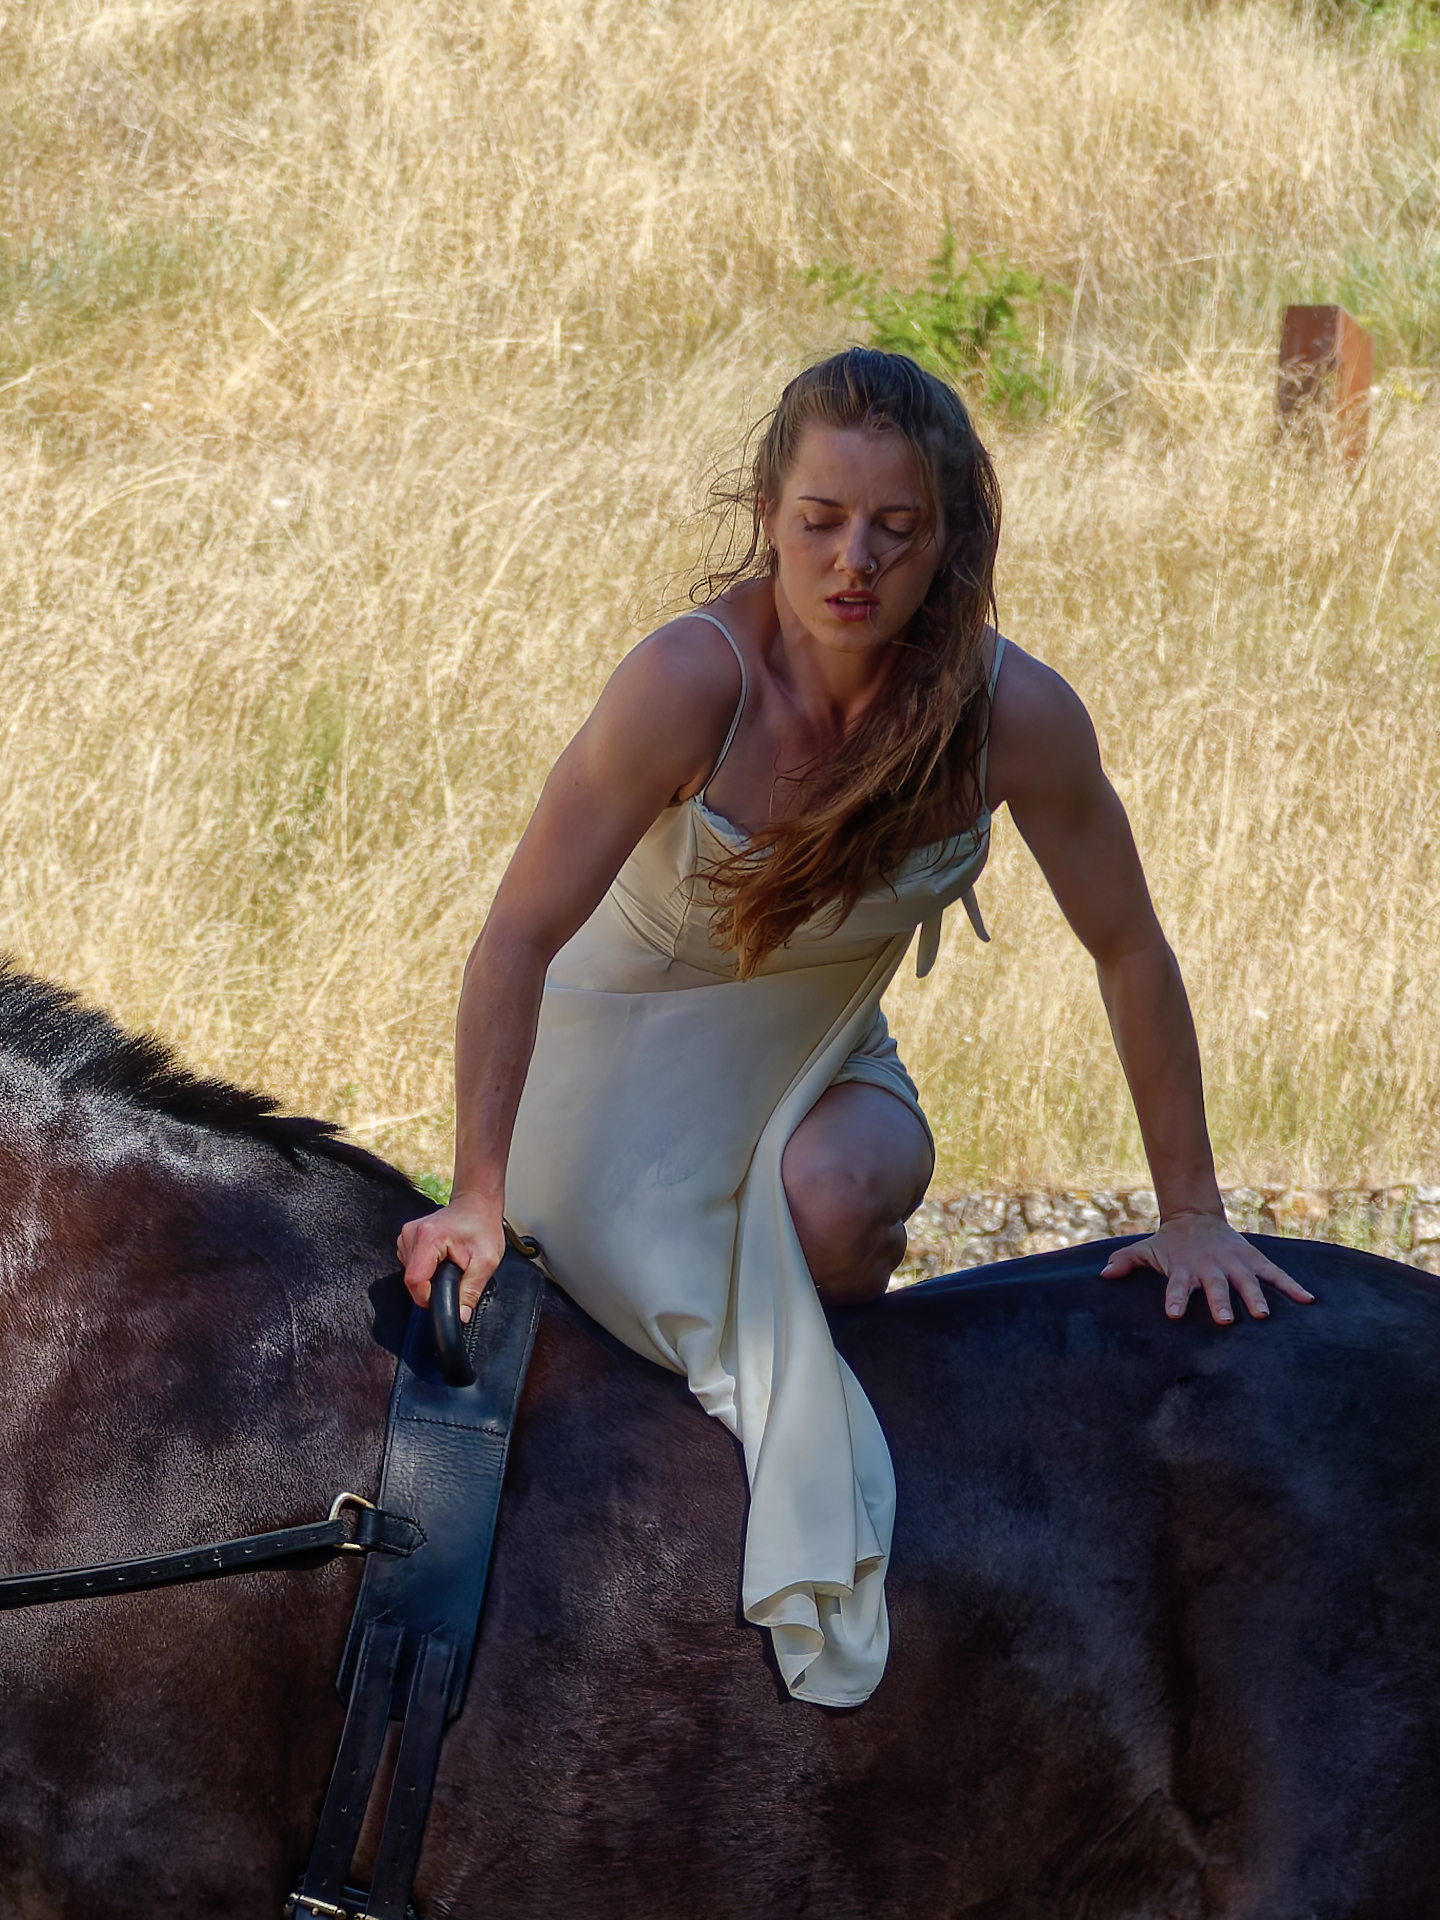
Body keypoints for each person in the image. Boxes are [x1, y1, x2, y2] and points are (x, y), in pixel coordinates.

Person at [397, 348, 1312, 1708]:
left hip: (815, 1046)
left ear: (952, 538)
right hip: (620, 1051)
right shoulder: (687, 683)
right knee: (649, 1299)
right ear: (768, 510)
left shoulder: (1013, 715)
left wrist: (1192, 1209)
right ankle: (727, 1491)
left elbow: (1127, 946)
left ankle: (864, 1427)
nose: (854, 562)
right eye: (821, 519)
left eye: (897, 528)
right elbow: (517, 937)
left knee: (838, 1194)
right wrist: (476, 1193)